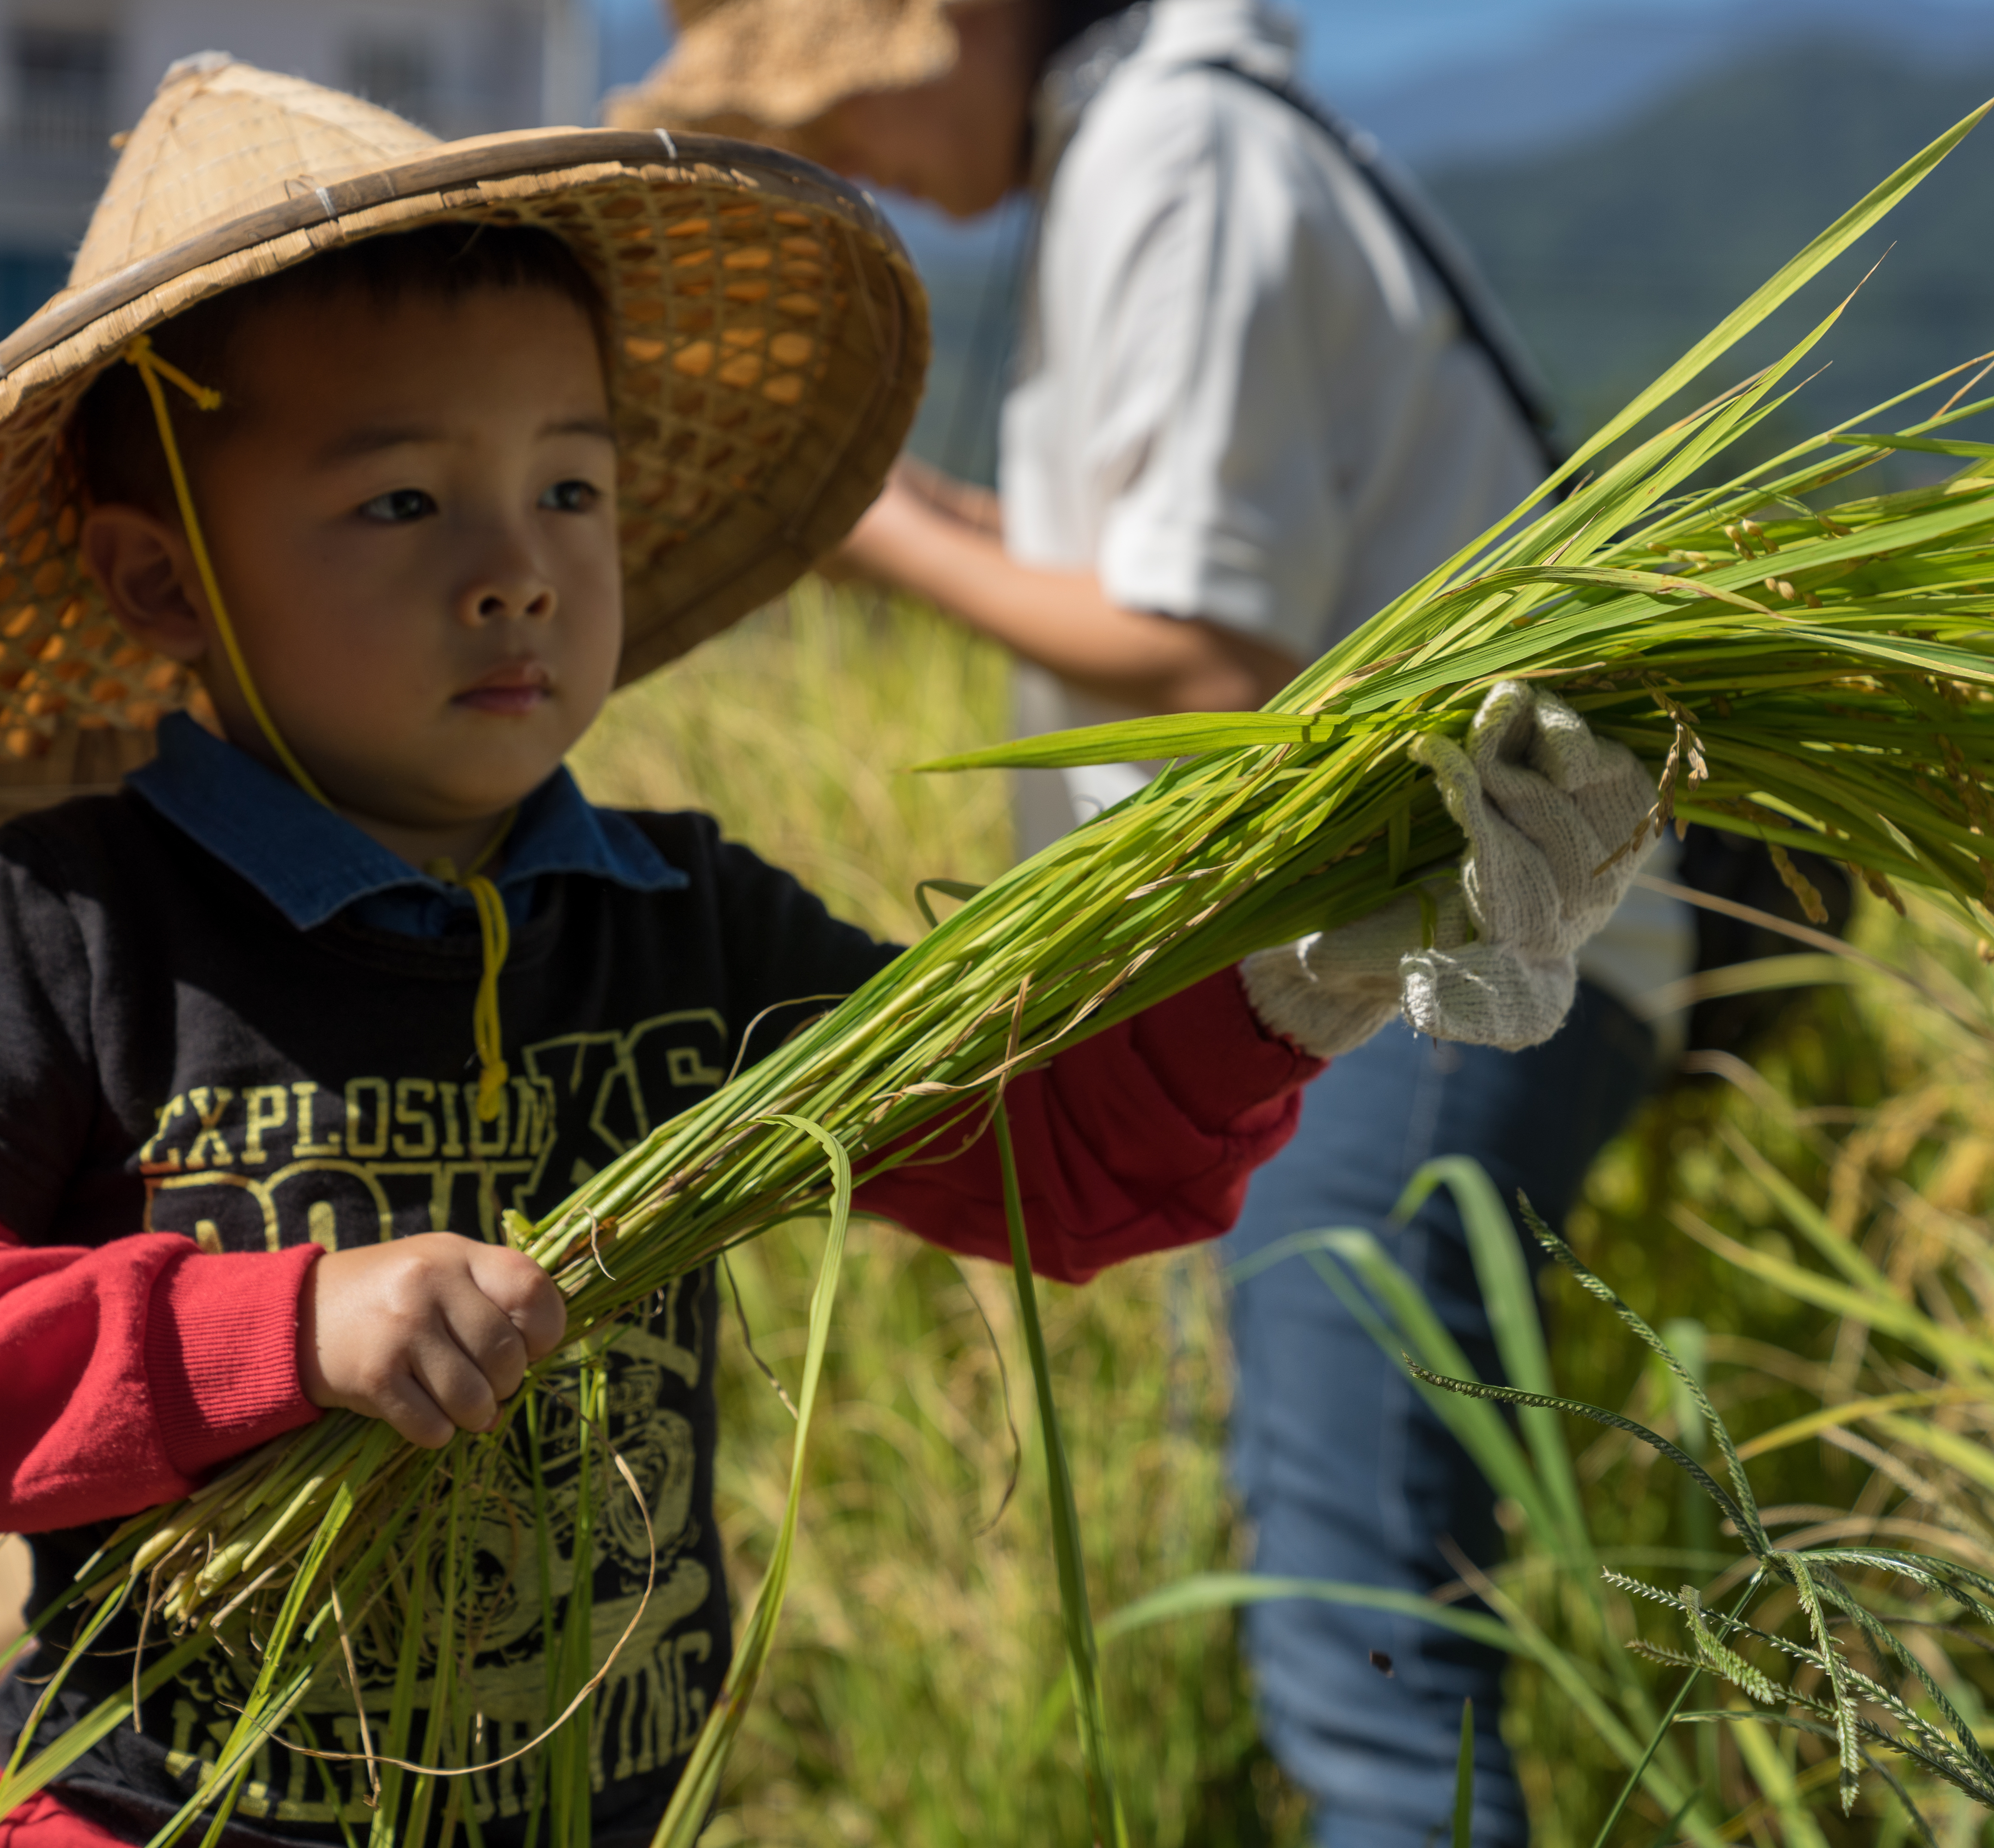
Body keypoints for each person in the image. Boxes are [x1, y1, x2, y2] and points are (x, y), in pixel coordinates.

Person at [0, 53, 1655, 1848]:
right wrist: (279, 1327)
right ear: (165, 581)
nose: (518, 563)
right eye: (402, 498)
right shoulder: (89, 919)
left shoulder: (679, 927)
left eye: (570, 485)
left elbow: (1037, 1152)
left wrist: (1303, 966)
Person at [616, 3, 1695, 1841]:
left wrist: (855, 516)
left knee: (1361, 1634)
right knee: (1336, 1579)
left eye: (848, 112)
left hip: (1431, 955)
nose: (860, 165)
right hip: (1361, 968)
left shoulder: (1174, 154)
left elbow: (1209, 649)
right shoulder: (1153, 146)